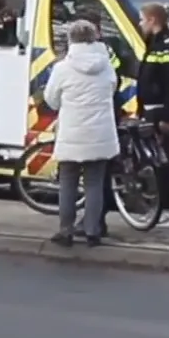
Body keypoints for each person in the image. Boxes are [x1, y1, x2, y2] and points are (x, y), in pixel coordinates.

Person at [42, 19, 120, 248]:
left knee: (68, 183)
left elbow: (51, 99)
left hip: (72, 134)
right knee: (94, 184)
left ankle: (65, 231)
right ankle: (92, 231)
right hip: (100, 135)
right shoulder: (106, 66)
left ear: (70, 39)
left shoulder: (63, 68)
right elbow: (112, 89)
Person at [136, 1, 169, 228]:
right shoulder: (155, 42)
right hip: (151, 110)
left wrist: (167, 117)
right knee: (153, 163)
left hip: (161, 113)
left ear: (152, 20)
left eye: (142, 19)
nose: (140, 24)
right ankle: (157, 209)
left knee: (164, 162)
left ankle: (168, 210)